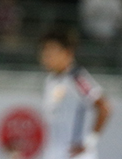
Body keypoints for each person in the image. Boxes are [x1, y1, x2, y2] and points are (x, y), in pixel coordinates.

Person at [38, 28, 112, 159]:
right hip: (56, 152)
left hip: (74, 155)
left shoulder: (77, 78)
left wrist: (89, 142)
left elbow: (104, 107)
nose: (47, 57)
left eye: (52, 52)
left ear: (67, 53)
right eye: (45, 52)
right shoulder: (51, 80)